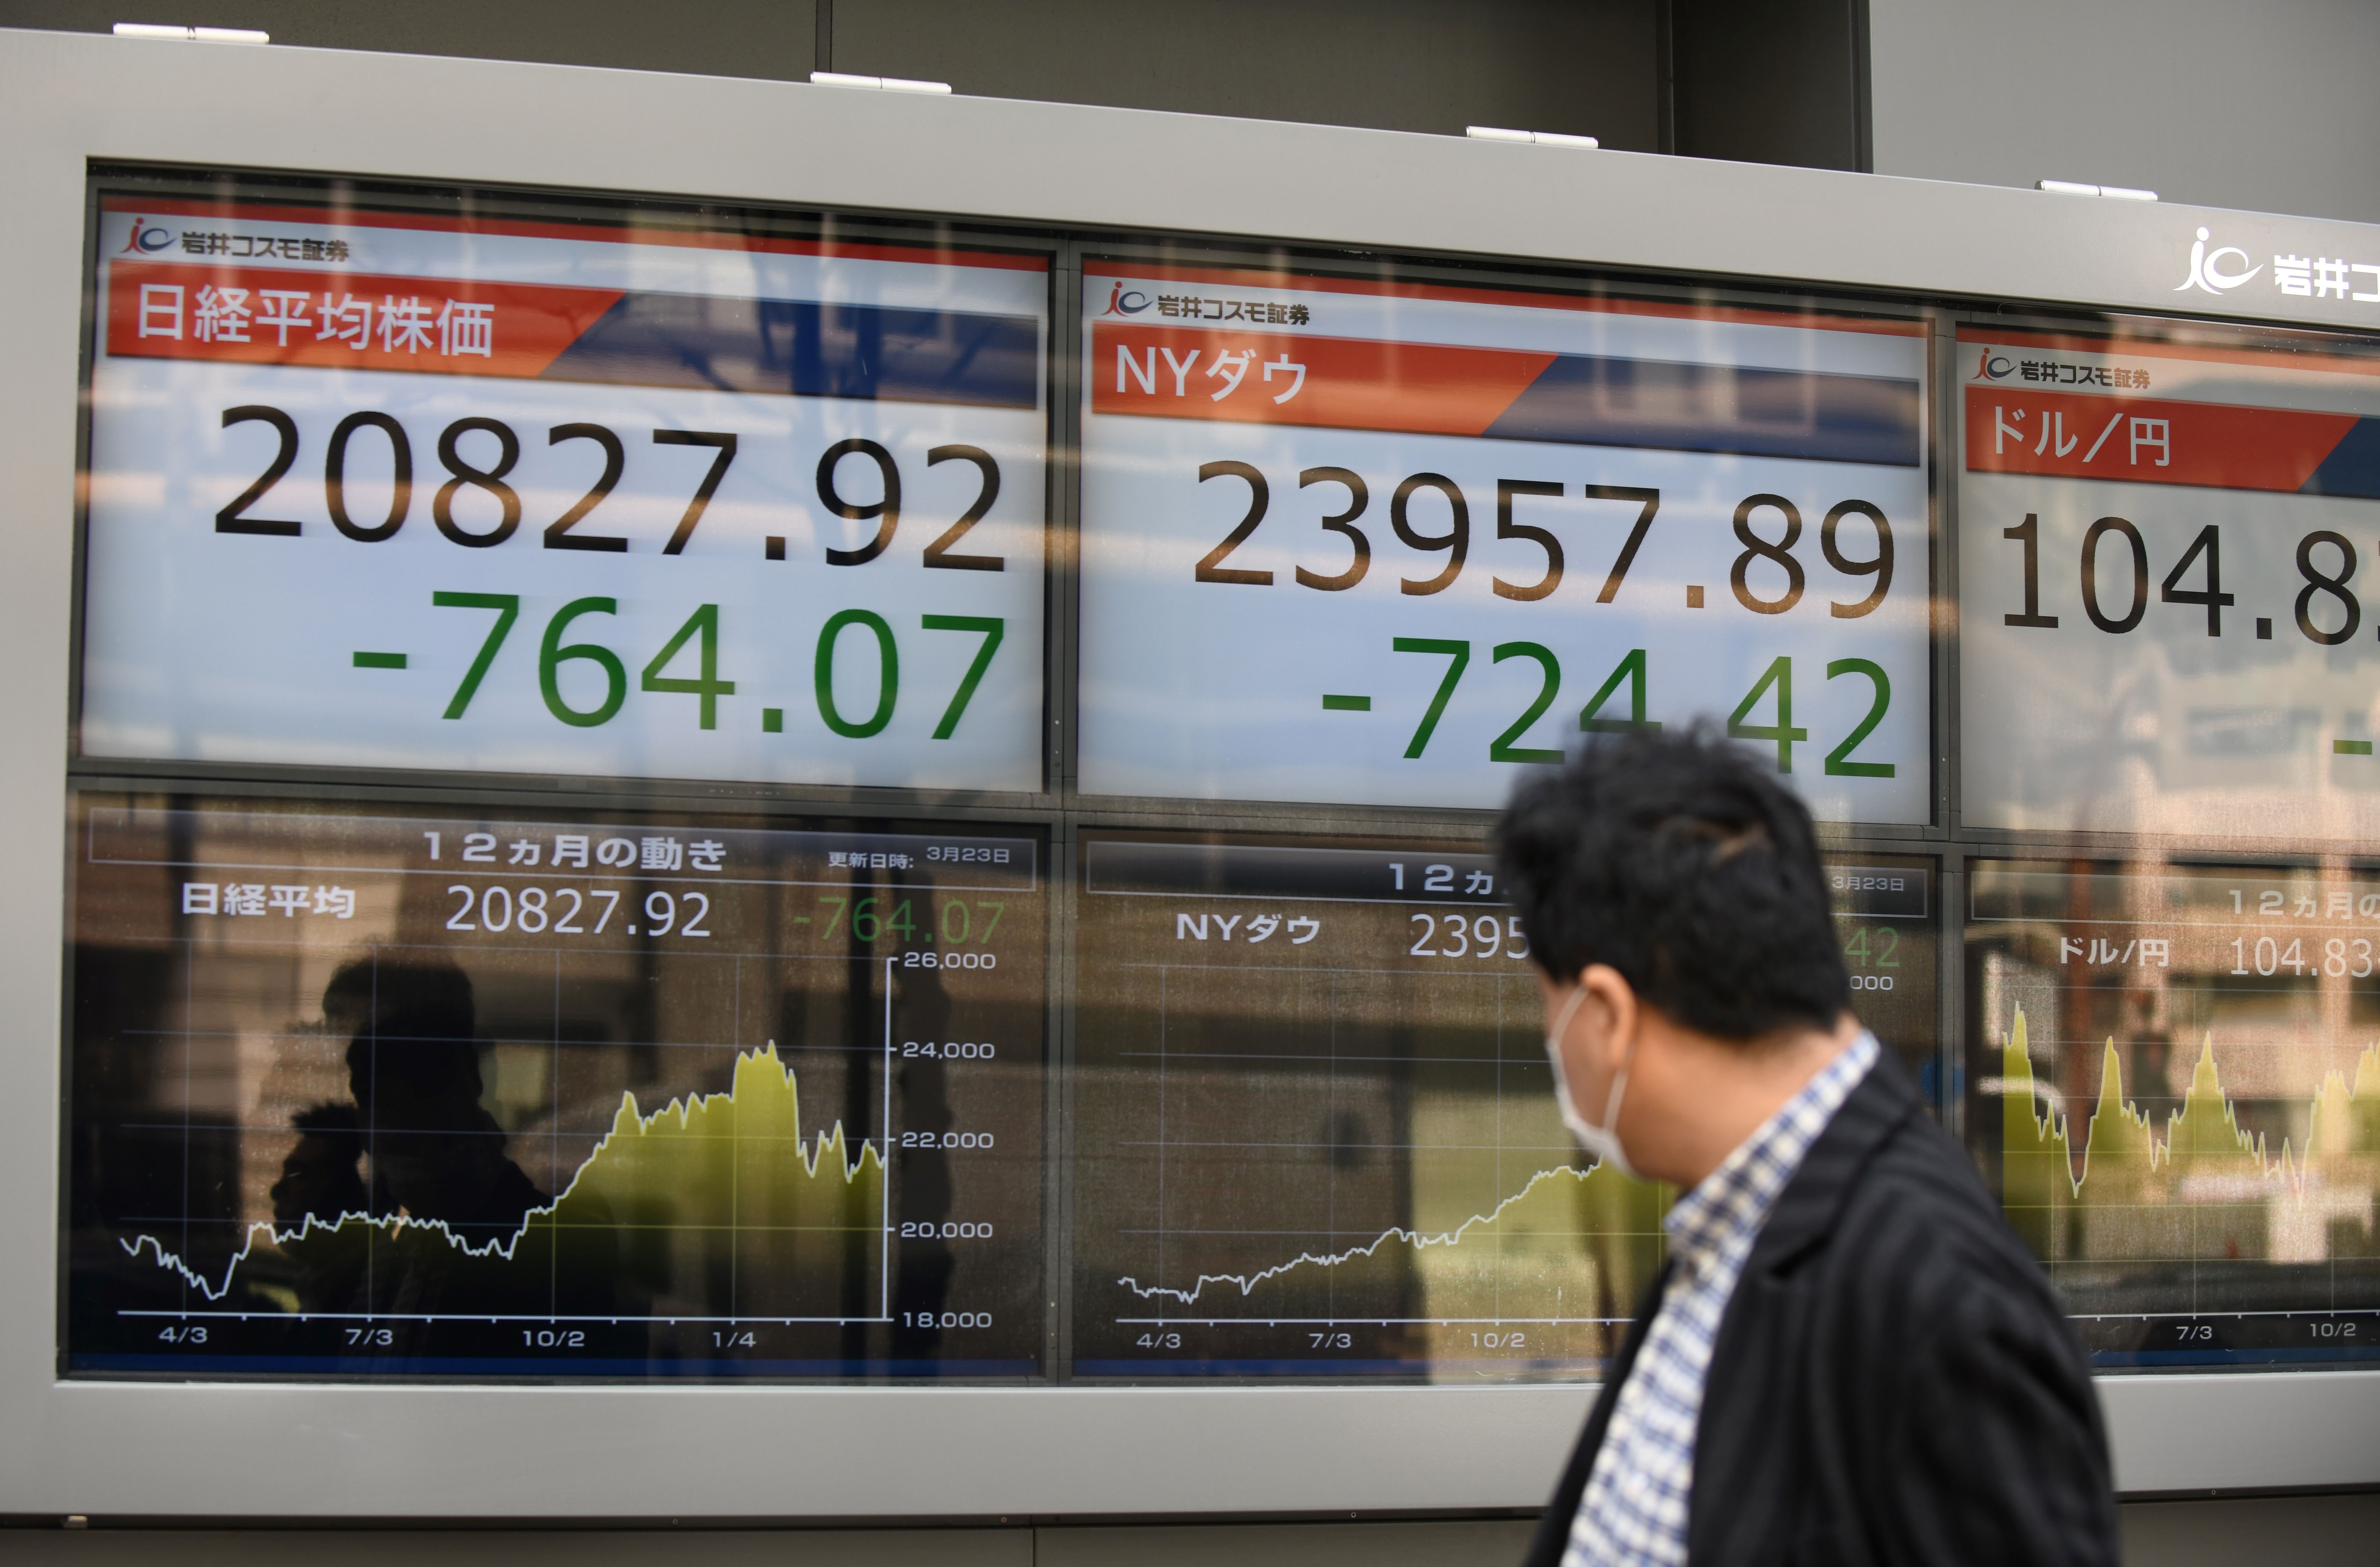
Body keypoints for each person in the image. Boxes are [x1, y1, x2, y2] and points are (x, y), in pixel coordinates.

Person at [1498, 728, 2117, 1567]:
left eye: (1548, 1003)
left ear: (1606, 1016)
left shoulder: (1939, 1300)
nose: (1549, 1036)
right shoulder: (1729, 1226)